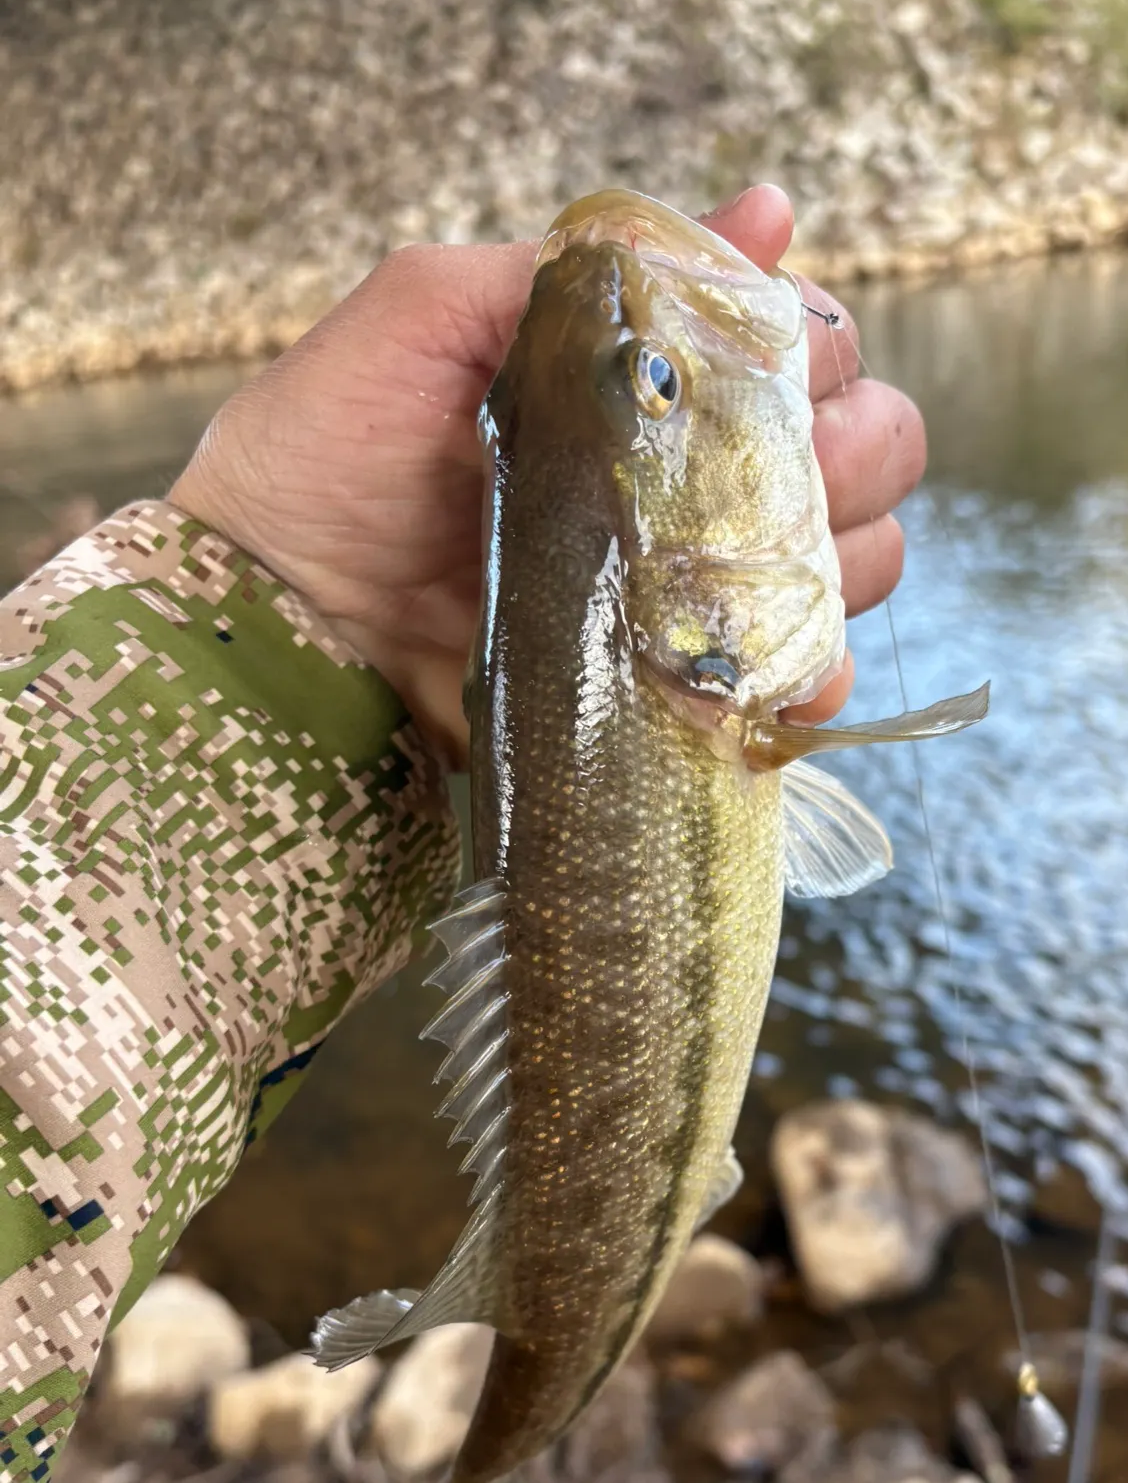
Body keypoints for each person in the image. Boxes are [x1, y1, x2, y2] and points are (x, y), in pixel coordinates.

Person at [0, 186, 923, 1477]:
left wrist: (282, 598)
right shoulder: (716, 684)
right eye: (660, 381)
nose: (668, 373)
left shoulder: (707, 677)